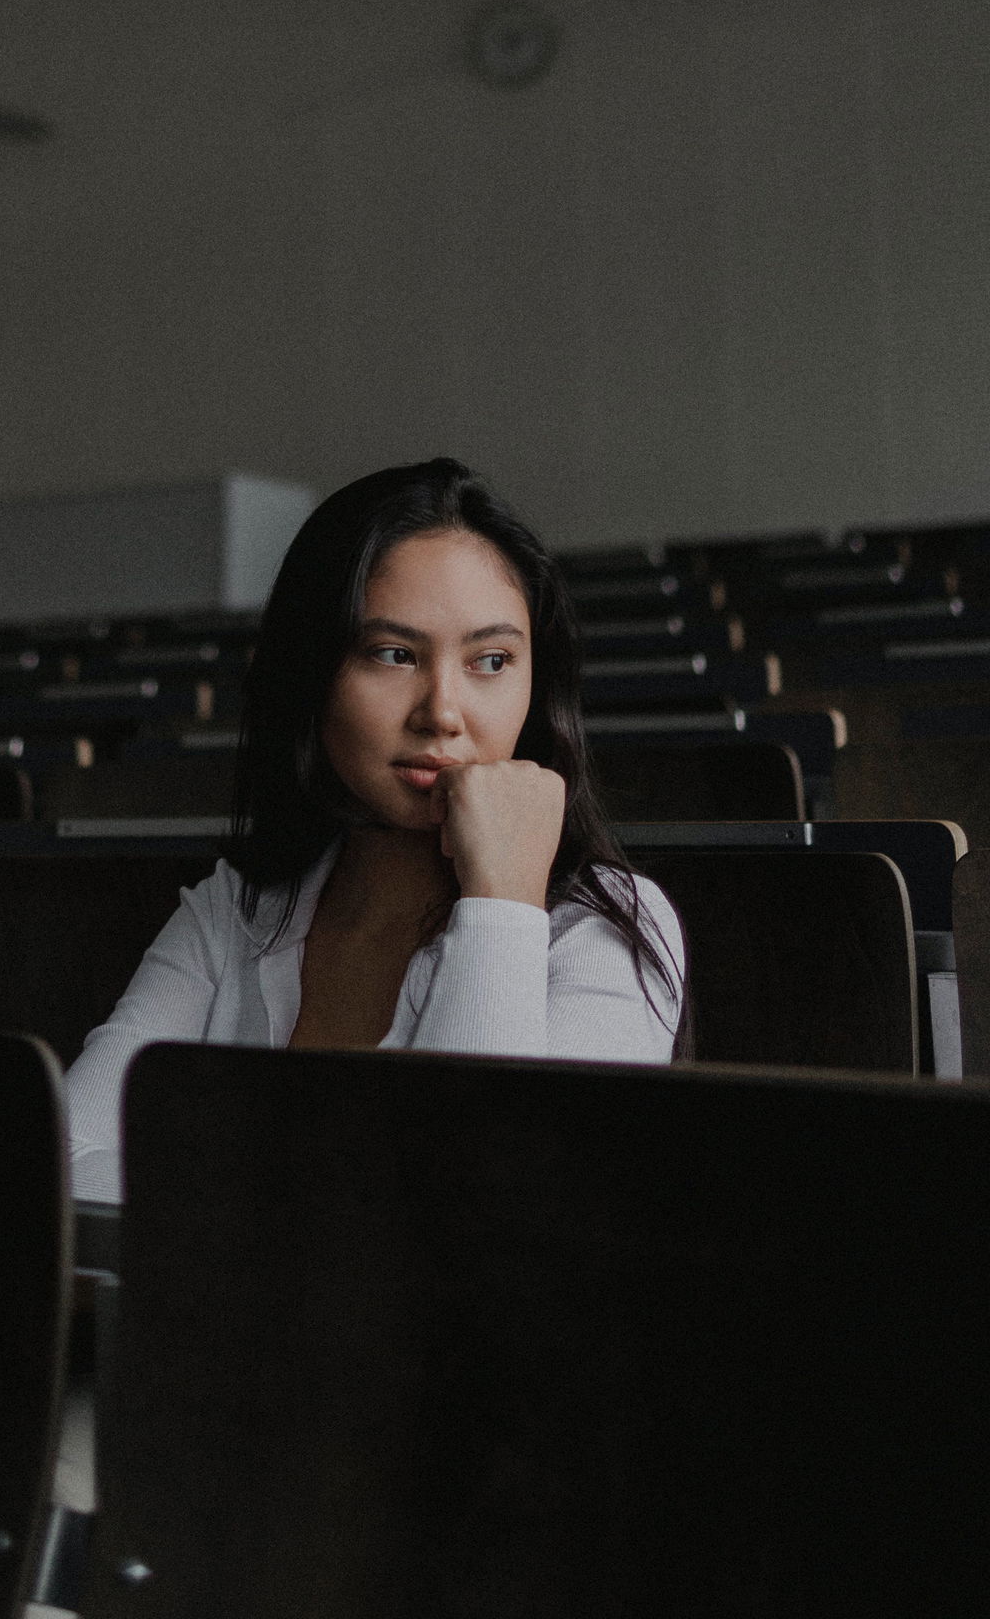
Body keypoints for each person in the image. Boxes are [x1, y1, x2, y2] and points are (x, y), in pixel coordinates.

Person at [65, 457, 686, 1202]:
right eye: (392, 655)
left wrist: (503, 901)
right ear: (311, 673)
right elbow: (60, 1156)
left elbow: (479, 1218)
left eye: (492, 660)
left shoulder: (607, 927)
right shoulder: (234, 915)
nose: (443, 712)